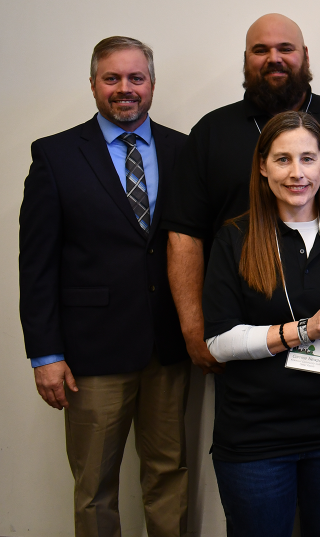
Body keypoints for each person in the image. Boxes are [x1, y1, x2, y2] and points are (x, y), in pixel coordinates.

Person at [19, 36, 190, 536]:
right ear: (93, 84)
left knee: (169, 474)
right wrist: (45, 353)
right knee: (95, 487)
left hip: (168, 348)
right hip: (90, 355)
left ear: (152, 84)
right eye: (112, 78)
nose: (125, 89)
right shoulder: (55, 156)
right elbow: (37, 264)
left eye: (136, 78)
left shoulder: (183, 150)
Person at [201, 111, 320, 537]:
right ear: (262, 166)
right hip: (256, 438)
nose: (297, 173)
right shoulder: (234, 238)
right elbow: (217, 342)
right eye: (283, 159)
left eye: (308, 159)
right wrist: (301, 330)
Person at [162, 13, 320, 376]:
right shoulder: (211, 132)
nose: (274, 58)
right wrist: (195, 331)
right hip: (246, 343)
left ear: (305, 56)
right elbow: (184, 235)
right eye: (260, 50)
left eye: (286, 48)